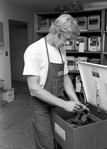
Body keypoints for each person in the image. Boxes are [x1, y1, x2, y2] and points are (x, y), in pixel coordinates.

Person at [23, 14, 88, 149]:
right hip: (40, 105)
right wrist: (64, 104)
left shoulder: (61, 49)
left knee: (61, 138)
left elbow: (64, 77)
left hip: (57, 101)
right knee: (46, 143)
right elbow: (34, 88)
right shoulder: (34, 50)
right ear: (59, 32)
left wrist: (75, 100)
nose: (68, 44)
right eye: (68, 40)